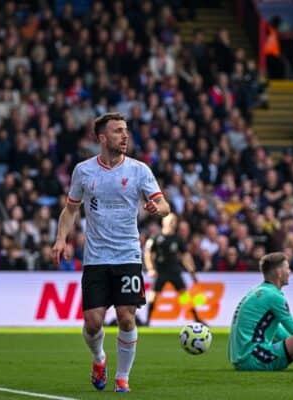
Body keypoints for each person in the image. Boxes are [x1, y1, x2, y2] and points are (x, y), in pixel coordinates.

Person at [51, 112, 170, 393]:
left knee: (127, 316)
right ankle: (99, 358)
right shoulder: (84, 171)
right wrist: (60, 239)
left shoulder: (139, 170)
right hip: (96, 258)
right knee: (93, 323)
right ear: (102, 138)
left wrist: (157, 208)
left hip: (128, 256)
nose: (125, 136)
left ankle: (122, 377)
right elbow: (70, 209)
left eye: (125, 130)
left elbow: (165, 205)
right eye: (118, 131)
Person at [229, 252, 293, 371]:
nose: (290, 272)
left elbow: (280, 334)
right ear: (279, 273)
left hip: (241, 360)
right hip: (254, 359)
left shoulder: (257, 292)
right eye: (288, 268)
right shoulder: (274, 296)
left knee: (285, 335)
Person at [144, 213, 202, 326]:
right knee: (153, 296)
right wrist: (150, 268)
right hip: (160, 271)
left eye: (174, 221)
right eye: (170, 221)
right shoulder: (156, 237)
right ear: (163, 222)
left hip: (174, 271)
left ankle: (196, 318)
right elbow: (148, 254)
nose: (172, 223)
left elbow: (185, 256)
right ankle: (147, 321)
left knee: (184, 295)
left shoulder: (178, 239)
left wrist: (192, 272)